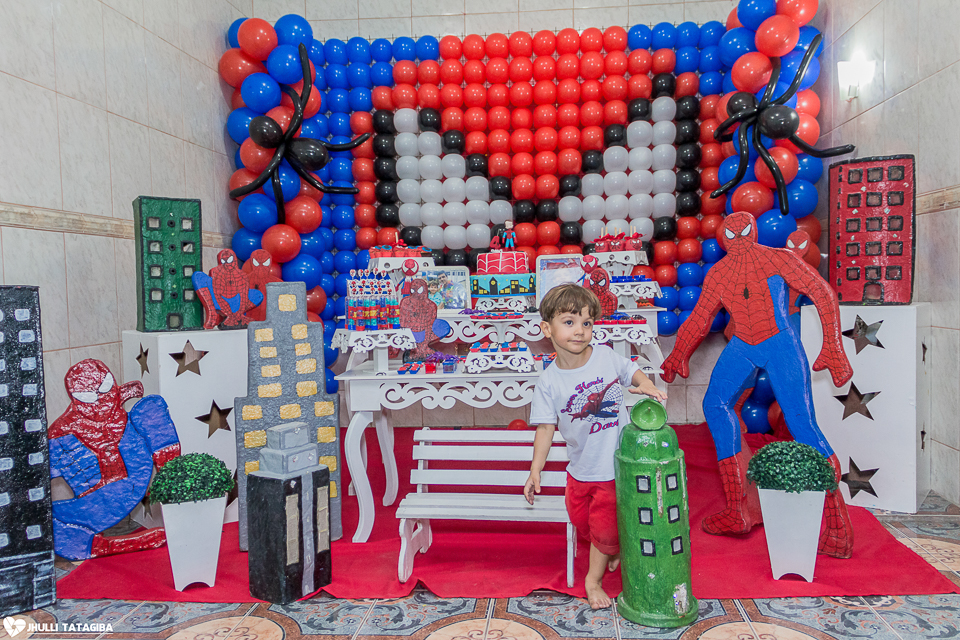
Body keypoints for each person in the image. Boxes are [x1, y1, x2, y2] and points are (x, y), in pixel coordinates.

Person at [524, 284, 667, 610]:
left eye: (587, 323)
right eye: (569, 322)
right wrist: (535, 470)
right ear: (547, 328)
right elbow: (545, 428)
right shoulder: (548, 381)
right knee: (582, 521)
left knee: (603, 526)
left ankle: (593, 580)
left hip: (612, 468)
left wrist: (645, 383)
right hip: (579, 469)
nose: (580, 330)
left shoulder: (604, 357)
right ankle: (611, 548)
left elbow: (631, 370)